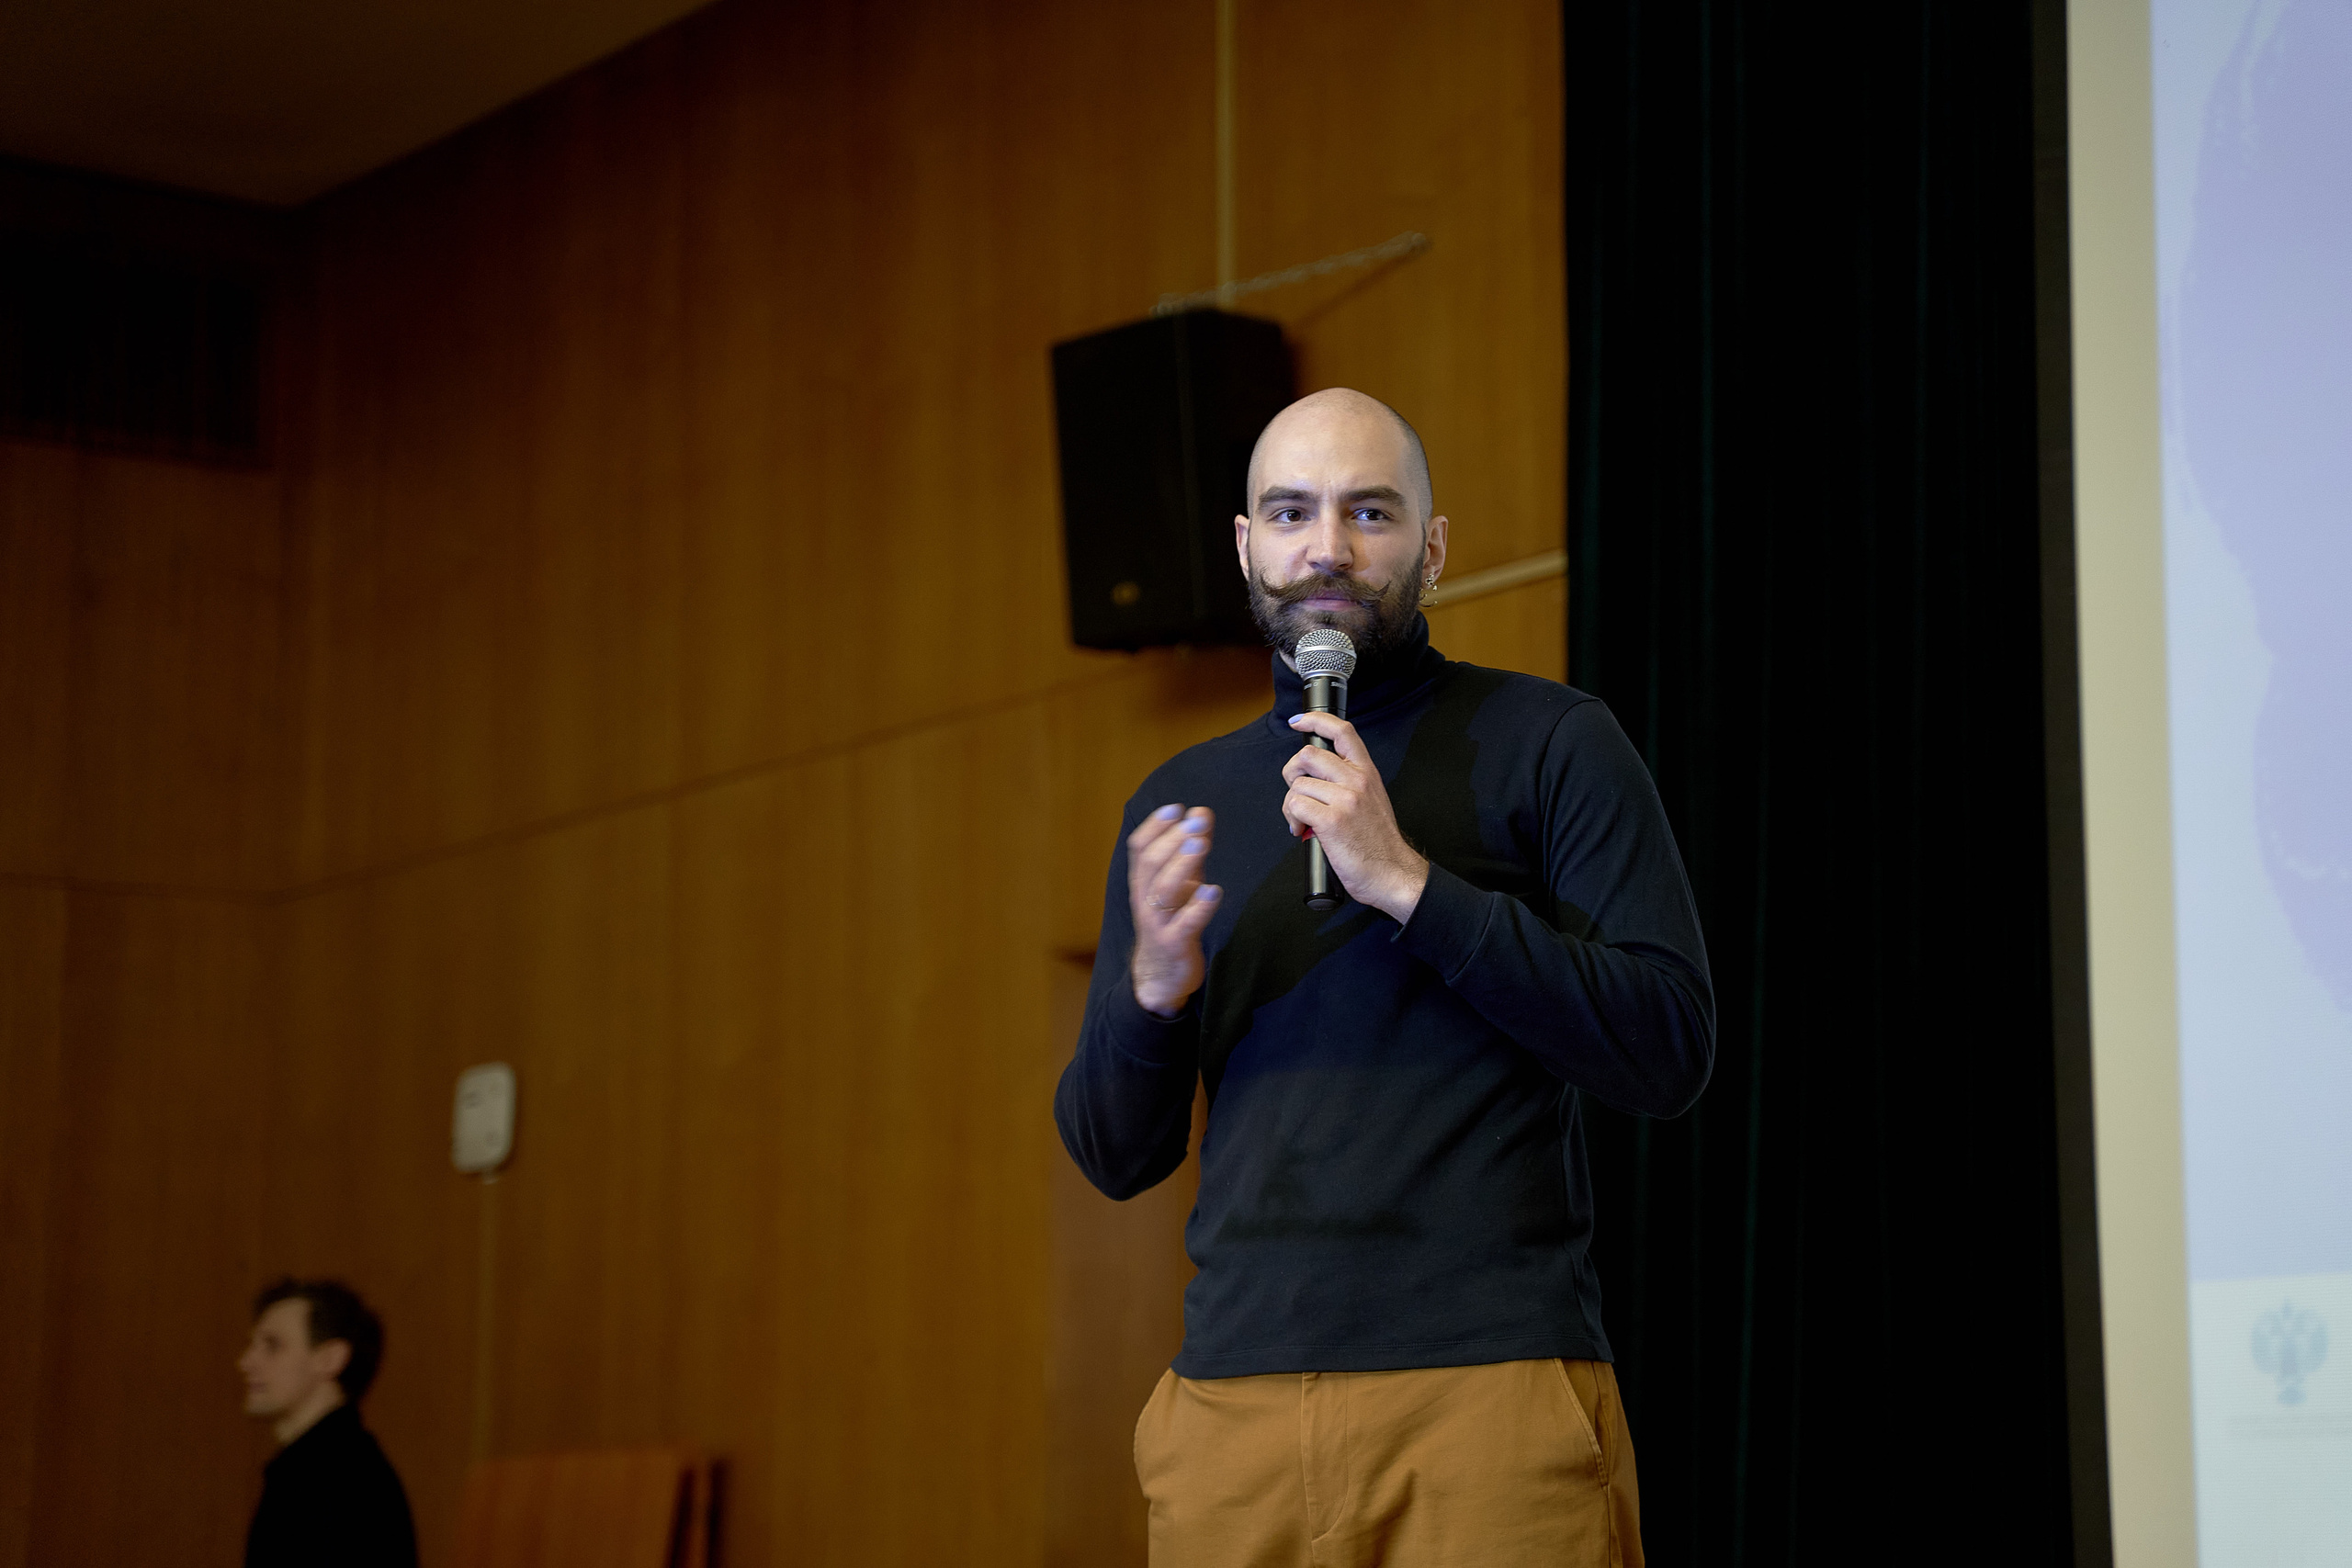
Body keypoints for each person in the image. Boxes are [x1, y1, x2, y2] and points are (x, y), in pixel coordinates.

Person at [1055, 388, 1714, 1566]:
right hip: (1233, 1412)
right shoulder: (1176, 800)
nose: (1328, 548)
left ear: (1433, 544)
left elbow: (1667, 1046)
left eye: (1370, 511)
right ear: (1245, 545)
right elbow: (1116, 1154)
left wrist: (1408, 883)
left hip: (1488, 1395)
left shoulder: (1552, 742)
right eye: (1291, 512)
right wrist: (1152, 992)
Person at [238, 1278, 419, 1568]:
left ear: (330, 1359)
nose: (246, 1361)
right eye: (253, 1344)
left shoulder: (345, 1481)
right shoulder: (318, 1468)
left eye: (272, 1345)